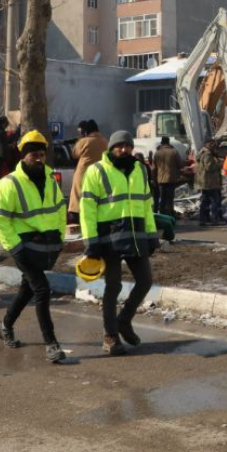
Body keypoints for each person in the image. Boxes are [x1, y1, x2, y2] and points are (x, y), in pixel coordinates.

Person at [0, 130, 69, 363]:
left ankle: (5, 326)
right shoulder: (9, 184)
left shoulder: (50, 180)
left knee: (28, 289)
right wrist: (15, 248)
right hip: (23, 247)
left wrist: (59, 239)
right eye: (34, 154)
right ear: (23, 156)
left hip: (46, 246)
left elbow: (58, 211)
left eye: (42, 155)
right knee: (42, 290)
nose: (39, 159)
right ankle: (51, 343)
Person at [80, 130, 158, 356]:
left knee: (145, 281)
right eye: (119, 146)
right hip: (109, 238)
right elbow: (87, 209)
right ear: (111, 148)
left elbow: (146, 204)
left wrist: (152, 234)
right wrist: (91, 241)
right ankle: (110, 336)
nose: (124, 149)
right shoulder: (96, 171)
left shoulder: (140, 170)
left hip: (135, 234)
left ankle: (124, 320)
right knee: (113, 286)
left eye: (127, 146)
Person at [194, 140, 224, 225]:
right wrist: (220, 163)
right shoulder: (207, 154)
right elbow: (209, 167)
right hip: (210, 182)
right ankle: (214, 219)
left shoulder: (202, 153)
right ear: (207, 145)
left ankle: (203, 219)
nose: (214, 146)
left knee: (205, 201)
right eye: (212, 144)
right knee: (214, 201)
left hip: (205, 182)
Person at [152, 136, 183, 217]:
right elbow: (180, 165)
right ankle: (170, 215)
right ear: (169, 142)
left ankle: (162, 215)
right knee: (170, 199)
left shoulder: (157, 153)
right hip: (171, 179)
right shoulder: (174, 152)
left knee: (162, 198)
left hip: (160, 180)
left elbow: (154, 168)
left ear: (161, 143)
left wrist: (154, 180)